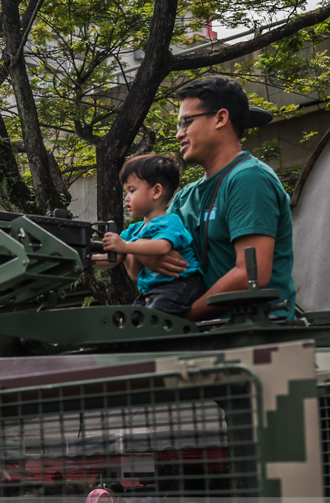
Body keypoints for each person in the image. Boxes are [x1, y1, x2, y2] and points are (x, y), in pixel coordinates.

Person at [139, 76, 294, 320]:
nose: (179, 134)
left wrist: (177, 316)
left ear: (221, 118)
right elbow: (160, 262)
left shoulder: (249, 179)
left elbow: (251, 275)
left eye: (186, 122)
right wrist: (140, 253)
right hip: (201, 338)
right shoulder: (184, 198)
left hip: (254, 338)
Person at [98, 154, 205, 317]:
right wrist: (82, 260)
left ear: (156, 191)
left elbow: (162, 246)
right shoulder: (133, 231)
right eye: (126, 191)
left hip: (180, 285)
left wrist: (126, 246)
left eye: (132, 190)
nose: (126, 198)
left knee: (151, 322)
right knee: (132, 319)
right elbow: (113, 258)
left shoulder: (169, 221)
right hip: (153, 290)